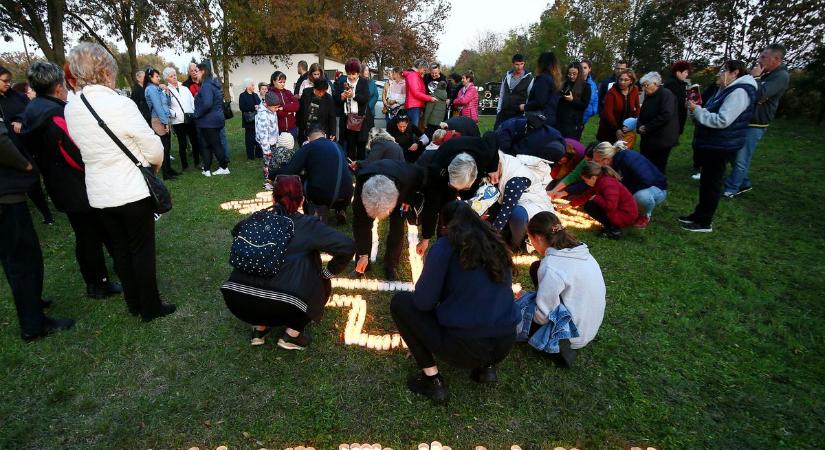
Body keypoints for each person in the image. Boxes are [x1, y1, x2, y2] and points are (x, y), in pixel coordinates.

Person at [64, 42, 175, 322]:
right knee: (140, 250)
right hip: (130, 189)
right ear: (105, 72)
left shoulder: (72, 107)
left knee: (120, 249)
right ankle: (150, 306)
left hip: (99, 192)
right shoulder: (119, 103)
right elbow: (152, 146)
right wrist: (154, 167)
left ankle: (134, 302)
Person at [390, 200, 519, 403]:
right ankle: (487, 369)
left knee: (401, 303)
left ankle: (432, 380)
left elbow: (423, 302)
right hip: (505, 342)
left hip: (466, 347)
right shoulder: (496, 244)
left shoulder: (446, 247)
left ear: (446, 225)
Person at [21, 61, 122, 299]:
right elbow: (76, 153)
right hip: (74, 185)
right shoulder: (55, 114)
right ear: (58, 87)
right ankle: (98, 283)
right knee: (90, 235)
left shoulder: (33, 109)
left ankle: (101, 276)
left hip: (59, 183)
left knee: (87, 233)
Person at [221, 175, 355, 349]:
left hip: (238, 299)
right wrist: (326, 273)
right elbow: (347, 246)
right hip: (283, 305)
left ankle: (259, 328)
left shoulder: (257, 219)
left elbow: (237, 231)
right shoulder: (307, 225)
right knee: (321, 282)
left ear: (273, 197)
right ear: (302, 200)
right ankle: (292, 335)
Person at [1, 106, 75, 340]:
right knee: (22, 259)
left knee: (18, 258)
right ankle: (33, 324)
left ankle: (32, 301)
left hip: (7, 195)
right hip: (6, 198)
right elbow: (2, 143)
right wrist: (26, 165)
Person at [519, 211, 605, 365]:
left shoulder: (551, 266)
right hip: (589, 327)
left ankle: (556, 346)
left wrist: (524, 302)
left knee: (517, 313)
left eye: (529, 239)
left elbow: (542, 316)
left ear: (537, 238)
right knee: (535, 267)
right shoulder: (582, 252)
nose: (530, 243)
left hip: (571, 336)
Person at [680, 60, 757, 232]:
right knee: (706, 182)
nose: (718, 74)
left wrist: (698, 111)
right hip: (714, 142)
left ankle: (704, 222)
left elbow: (722, 120)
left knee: (712, 183)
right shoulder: (725, 90)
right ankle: (698, 215)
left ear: (735, 73)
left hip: (722, 144)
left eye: (723, 71)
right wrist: (696, 110)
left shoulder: (739, 92)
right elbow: (711, 112)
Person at [723, 44, 790, 198]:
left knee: (741, 156)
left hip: (757, 122)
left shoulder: (781, 76)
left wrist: (757, 78)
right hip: (746, 119)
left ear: (776, 59)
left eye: (764, 57)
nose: (759, 59)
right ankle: (744, 182)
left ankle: (732, 188)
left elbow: (760, 95)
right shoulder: (766, 73)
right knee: (734, 152)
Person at [418, 135, 500, 255]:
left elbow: (493, 139)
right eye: (455, 188)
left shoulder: (484, 152)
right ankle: (443, 239)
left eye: (464, 188)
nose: (458, 193)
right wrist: (425, 239)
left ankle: (463, 235)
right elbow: (431, 206)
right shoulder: (436, 171)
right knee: (445, 207)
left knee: (468, 206)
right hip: (444, 171)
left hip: (472, 160)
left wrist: (493, 167)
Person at [351, 159, 425, 280]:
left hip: (401, 190)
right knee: (363, 224)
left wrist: (409, 199)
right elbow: (359, 225)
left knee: (397, 226)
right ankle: (363, 261)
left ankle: (391, 264)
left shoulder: (410, 175)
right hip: (378, 186)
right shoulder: (361, 185)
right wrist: (363, 254)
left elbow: (419, 181)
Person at [0, 65, 54, 225]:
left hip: (28, 142)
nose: (8, 84)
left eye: (9, 81)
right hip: (10, 149)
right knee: (26, 180)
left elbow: (29, 110)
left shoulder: (17, 96)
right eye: (4, 81)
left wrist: (19, 119)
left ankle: (47, 211)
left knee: (37, 177)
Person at [270, 127, 353, 225]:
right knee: (337, 177)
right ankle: (341, 209)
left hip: (322, 195)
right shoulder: (338, 146)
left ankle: (316, 212)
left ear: (308, 139)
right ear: (325, 136)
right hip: (347, 193)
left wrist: (271, 174)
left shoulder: (309, 147)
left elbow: (291, 170)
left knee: (303, 180)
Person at [488, 150, 554, 250]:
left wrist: (487, 238)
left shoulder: (515, 182)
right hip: (513, 202)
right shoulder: (502, 161)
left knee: (517, 214)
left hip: (533, 206)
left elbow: (505, 213)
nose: (490, 179)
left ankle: (515, 245)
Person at [593, 141, 667, 228]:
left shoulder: (628, 158)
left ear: (606, 160)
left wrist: (624, 193)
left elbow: (647, 181)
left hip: (655, 188)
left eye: (597, 161)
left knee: (642, 197)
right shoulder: (611, 164)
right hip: (635, 186)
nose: (595, 164)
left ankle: (644, 215)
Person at [564, 161, 639, 239]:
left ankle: (614, 230)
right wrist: (569, 205)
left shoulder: (608, 184)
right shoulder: (600, 181)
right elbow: (586, 196)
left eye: (585, 180)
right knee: (590, 203)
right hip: (621, 212)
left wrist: (596, 198)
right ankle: (611, 226)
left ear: (593, 177)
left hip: (626, 215)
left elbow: (611, 207)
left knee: (590, 205)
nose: (585, 183)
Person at [636, 72, 679, 174]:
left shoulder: (666, 94)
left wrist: (646, 127)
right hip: (648, 138)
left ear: (655, 83)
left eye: (646, 85)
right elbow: (642, 114)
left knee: (657, 166)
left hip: (661, 139)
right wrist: (639, 126)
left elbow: (666, 115)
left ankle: (658, 187)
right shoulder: (649, 96)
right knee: (645, 164)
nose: (643, 88)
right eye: (642, 86)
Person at [193, 62, 229, 176]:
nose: (195, 74)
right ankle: (207, 169)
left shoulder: (207, 85)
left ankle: (224, 167)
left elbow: (208, 104)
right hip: (212, 120)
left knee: (214, 144)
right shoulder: (212, 84)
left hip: (209, 121)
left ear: (203, 71)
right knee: (206, 144)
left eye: (197, 71)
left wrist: (197, 114)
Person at [334, 59, 375, 161]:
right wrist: (342, 97)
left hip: (361, 119)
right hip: (347, 119)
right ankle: (350, 168)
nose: (351, 77)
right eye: (349, 74)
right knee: (350, 146)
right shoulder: (342, 82)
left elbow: (366, 98)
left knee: (361, 146)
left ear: (358, 73)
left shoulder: (363, 82)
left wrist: (354, 95)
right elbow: (336, 100)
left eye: (354, 74)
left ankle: (360, 169)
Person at [144, 68, 178, 180]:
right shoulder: (151, 89)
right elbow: (158, 107)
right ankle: (166, 173)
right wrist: (165, 123)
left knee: (167, 147)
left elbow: (166, 103)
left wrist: (167, 93)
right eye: (156, 76)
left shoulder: (157, 88)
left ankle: (169, 170)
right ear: (150, 77)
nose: (159, 78)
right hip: (159, 120)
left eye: (159, 76)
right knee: (164, 148)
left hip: (164, 118)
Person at [164, 67, 199, 171]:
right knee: (182, 144)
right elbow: (165, 106)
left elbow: (192, 100)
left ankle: (197, 162)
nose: (174, 77)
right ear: (167, 79)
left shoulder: (184, 88)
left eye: (174, 75)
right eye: (171, 76)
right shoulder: (166, 90)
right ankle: (185, 165)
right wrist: (174, 114)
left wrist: (192, 111)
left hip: (190, 118)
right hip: (178, 121)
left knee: (195, 141)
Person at [495, 115, 566, 163]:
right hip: (510, 135)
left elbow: (513, 153)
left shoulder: (533, 141)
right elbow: (510, 153)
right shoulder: (555, 134)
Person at [596, 69, 639, 143]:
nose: (622, 82)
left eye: (626, 80)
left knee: (621, 152)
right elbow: (608, 112)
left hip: (626, 129)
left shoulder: (634, 90)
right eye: (620, 79)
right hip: (609, 129)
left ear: (631, 81)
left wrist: (633, 124)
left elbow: (637, 107)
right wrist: (617, 129)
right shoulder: (612, 92)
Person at [520, 52, 562, 127]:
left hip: (541, 121)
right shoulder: (554, 80)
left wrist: (525, 106)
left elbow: (540, 102)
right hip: (551, 119)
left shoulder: (543, 79)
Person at [495, 54, 534, 128]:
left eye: (521, 64)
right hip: (503, 113)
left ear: (524, 63)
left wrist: (526, 114)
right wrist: (498, 111)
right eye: (517, 64)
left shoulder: (529, 78)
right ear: (513, 64)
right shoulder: (506, 76)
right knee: (497, 134)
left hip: (518, 114)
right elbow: (502, 94)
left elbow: (530, 97)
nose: (519, 67)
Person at [556, 61, 591, 140]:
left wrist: (572, 100)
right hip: (560, 122)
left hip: (574, 125)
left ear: (579, 74)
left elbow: (584, 106)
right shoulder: (565, 84)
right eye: (569, 74)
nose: (571, 76)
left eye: (574, 74)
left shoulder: (586, 87)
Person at [255, 91, 281, 189]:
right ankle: (268, 182)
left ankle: (273, 177)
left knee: (273, 161)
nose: (277, 109)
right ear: (267, 105)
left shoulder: (271, 110)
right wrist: (266, 150)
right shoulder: (263, 115)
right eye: (275, 107)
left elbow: (274, 126)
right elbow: (263, 134)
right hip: (266, 142)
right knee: (268, 162)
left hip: (273, 140)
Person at [298, 78, 336, 143]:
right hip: (306, 128)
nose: (321, 93)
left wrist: (333, 132)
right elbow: (301, 110)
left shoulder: (328, 98)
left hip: (321, 130)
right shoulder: (306, 93)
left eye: (323, 91)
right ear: (314, 88)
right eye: (319, 91)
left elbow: (332, 117)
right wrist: (299, 124)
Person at [268, 71, 300, 140]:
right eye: (280, 82)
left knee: (290, 149)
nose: (283, 84)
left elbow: (297, 106)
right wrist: (290, 111)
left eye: (284, 82)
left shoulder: (287, 92)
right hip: (278, 129)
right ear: (274, 81)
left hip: (292, 128)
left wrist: (283, 107)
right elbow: (277, 113)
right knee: (279, 149)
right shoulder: (270, 94)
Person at [402, 59, 434, 127]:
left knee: (414, 129)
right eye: (424, 70)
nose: (424, 72)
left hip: (415, 106)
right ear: (420, 67)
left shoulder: (415, 76)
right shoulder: (413, 76)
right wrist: (430, 98)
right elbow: (416, 92)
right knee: (414, 129)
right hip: (413, 106)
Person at [663, 60, 691, 137]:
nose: (687, 74)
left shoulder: (680, 83)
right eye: (685, 72)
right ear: (678, 72)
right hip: (672, 120)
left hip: (677, 119)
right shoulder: (672, 84)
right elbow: (676, 102)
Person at [238, 78, 261, 160]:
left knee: (258, 137)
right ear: (247, 86)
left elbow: (259, 104)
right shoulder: (242, 95)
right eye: (252, 85)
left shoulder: (255, 95)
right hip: (249, 120)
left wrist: (258, 106)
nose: (253, 86)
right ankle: (250, 155)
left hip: (257, 120)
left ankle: (259, 154)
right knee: (249, 138)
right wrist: (253, 107)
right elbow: (242, 107)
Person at [581, 59, 599, 125]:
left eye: (585, 68)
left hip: (584, 118)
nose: (582, 69)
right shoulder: (574, 81)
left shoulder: (593, 85)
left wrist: (593, 111)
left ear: (589, 69)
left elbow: (595, 98)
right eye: (581, 67)